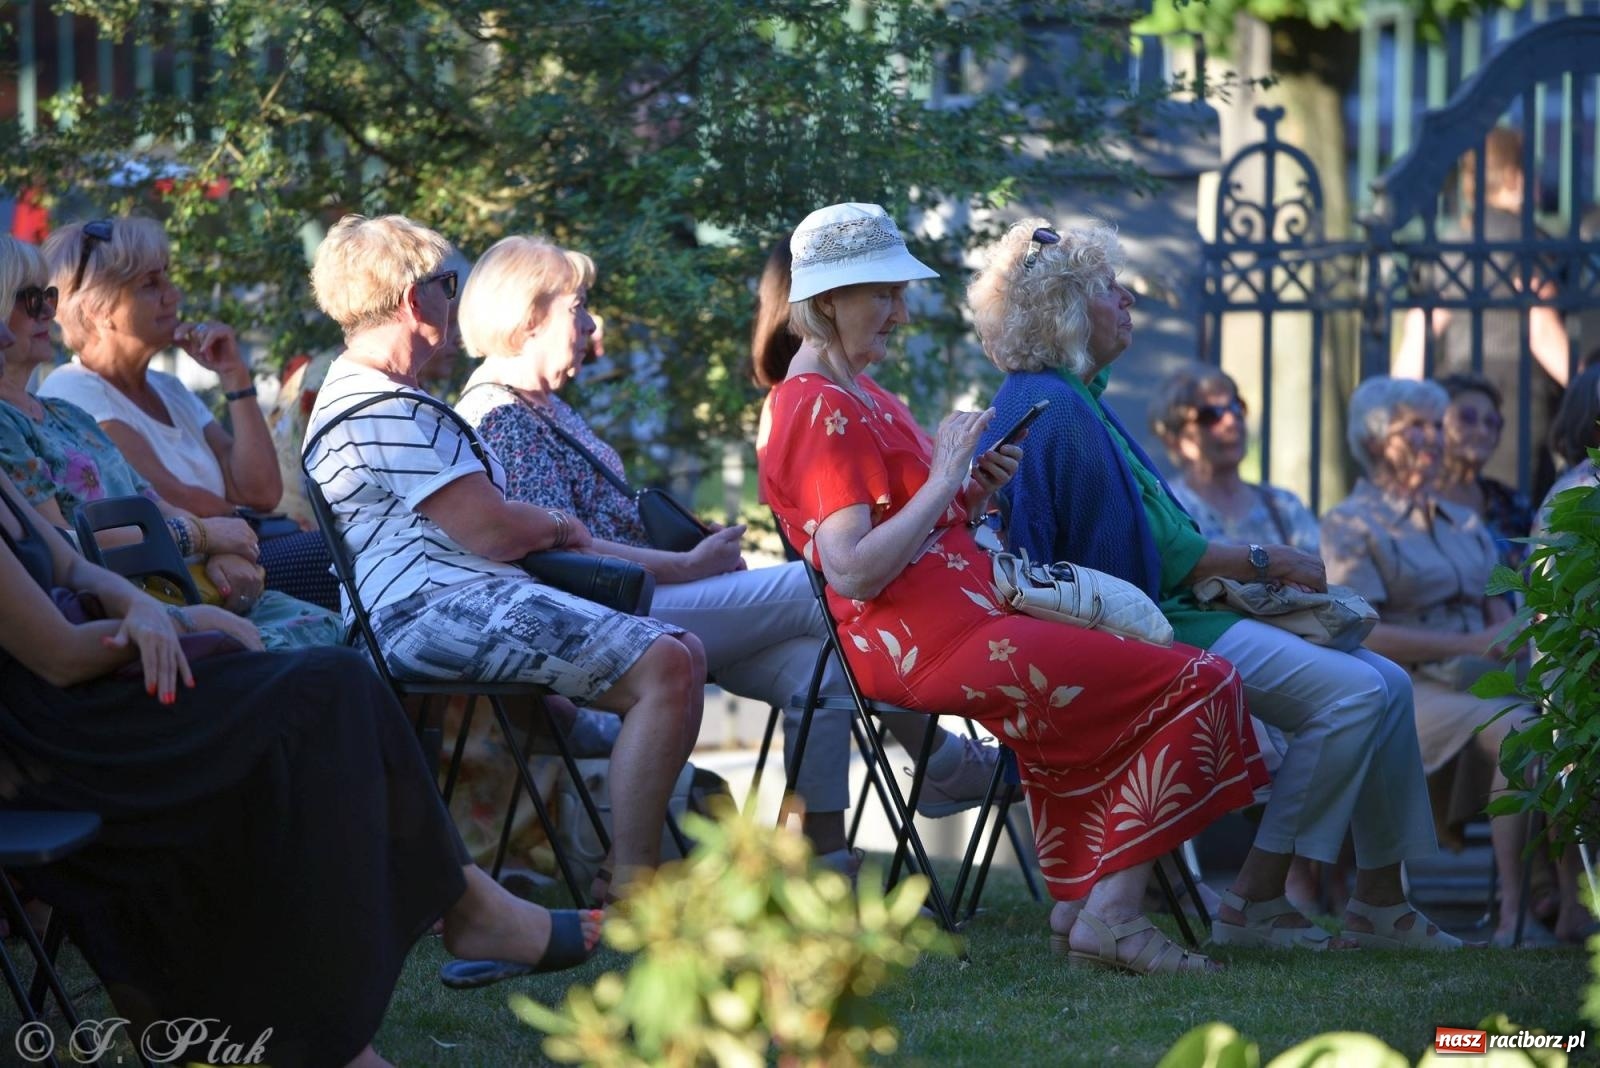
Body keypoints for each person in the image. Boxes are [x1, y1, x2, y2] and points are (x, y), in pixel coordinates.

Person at [0, 334, 598, 1066]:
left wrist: (161, 611)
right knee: (322, 694)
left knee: (330, 686)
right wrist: (188, 621)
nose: (8, 328)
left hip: (115, 689)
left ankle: (403, 961)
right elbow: (56, 657)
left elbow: (73, 565)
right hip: (60, 739)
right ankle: (428, 936)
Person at [762, 202, 1269, 974]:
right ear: (826, 300)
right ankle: (1114, 917)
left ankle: (1081, 907)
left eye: (901, 293)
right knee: (1201, 683)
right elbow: (855, 568)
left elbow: (922, 532)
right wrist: (943, 479)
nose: (901, 313)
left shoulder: (864, 394)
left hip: (969, 616)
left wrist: (971, 491)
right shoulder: (811, 403)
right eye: (884, 295)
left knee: (1126, 697)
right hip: (927, 644)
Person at [972, 219, 1453, 951]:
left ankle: (1380, 905)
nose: (1130, 298)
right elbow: (1162, 556)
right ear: (1067, 310)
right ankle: (1255, 902)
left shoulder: (1072, 395)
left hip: (1157, 612)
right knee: (1355, 693)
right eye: (1109, 288)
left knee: (1386, 680)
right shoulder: (1058, 404)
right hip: (1150, 626)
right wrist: (1268, 560)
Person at [451, 234, 998, 867]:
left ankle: (822, 859)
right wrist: (687, 565)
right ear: (529, 315)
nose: (591, 324)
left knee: (817, 670)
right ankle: (946, 763)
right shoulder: (497, 414)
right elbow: (556, 557)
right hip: (608, 616)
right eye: (577, 307)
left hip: (658, 599)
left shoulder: (543, 407)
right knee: (825, 585)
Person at [302, 213, 702, 900]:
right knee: (668, 662)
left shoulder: (387, 398)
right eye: (448, 284)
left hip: (450, 604)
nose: (455, 302)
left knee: (683, 653)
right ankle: (634, 886)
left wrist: (540, 528)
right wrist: (556, 523)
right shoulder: (378, 408)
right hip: (428, 613)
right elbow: (491, 532)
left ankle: (625, 866)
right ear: (411, 299)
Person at [1320, 376, 1566, 946]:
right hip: (1400, 689)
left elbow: (1494, 615)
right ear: (1380, 440)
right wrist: (1470, 646)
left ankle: (1569, 904)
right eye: (1419, 428)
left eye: (1437, 426)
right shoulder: (1351, 523)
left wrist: (1508, 633)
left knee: (1565, 726)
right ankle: (1514, 913)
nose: (1435, 439)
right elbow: (1363, 634)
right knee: (1522, 730)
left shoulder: (1464, 523)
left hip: (1475, 683)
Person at [0, 236, 339, 649]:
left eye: (48, 297)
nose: (173, 295)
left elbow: (250, 493)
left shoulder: (74, 413)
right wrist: (214, 534)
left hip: (199, 572)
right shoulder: (68, 393)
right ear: (98, 310)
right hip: (150, 604)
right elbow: (66, 542)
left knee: (359, 636)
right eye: (150, 284)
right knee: (337, 566)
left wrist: (234, 375)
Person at [1149, 360, 1340, 914]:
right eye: (1211, 413)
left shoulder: (1282, 505)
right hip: (1214, 652)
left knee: (1347, 702)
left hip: (1296, 647)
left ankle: (1305, 883)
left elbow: (1322, 578)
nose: (1230, 421)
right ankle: (1289, 882)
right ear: (1173, 433)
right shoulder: (1177, 508)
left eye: (1237, 407)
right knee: (1266, 718)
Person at [1394, 127, 1570, 498]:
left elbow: (1423, 325)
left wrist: (1398, 407)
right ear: (1513, 177)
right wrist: (1585, 388)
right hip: (1517, 394)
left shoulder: (1453, 239)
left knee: (1457, 499)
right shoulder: (1529, 240)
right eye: (1531, 172)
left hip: (1457, 390)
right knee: (1514, 513)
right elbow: (1541, 329)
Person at [1434, 371, 1533, 568]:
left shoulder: (1511, 504)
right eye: (1467, 417)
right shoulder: (1417, 503)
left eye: (1492, 422)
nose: (1482, 431)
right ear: (1436, 422)